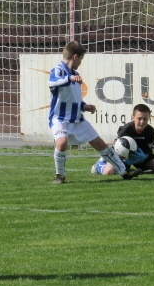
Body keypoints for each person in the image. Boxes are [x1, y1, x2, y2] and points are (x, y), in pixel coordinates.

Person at [48, 40, 127, 183]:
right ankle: (60, 175)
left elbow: (75, 99)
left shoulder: (76, 74)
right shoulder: (58, 70)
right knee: (62, 142)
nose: (81, 62)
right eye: (81, 59)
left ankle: (124, 171)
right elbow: (52, 82)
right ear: (75, 57)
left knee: (100, 144)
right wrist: (70, 78)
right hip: (59, 118)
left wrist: (84, 106)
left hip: (77, 119)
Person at [91, 104, 154, 177]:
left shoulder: (151, 131)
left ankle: (153, 165)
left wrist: (143, 155)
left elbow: (150, 150)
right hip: (123, 157)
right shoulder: (125, 130)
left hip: (141, 157)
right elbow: (116, 148)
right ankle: (99, 166)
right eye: (139, 118)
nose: (142, 122)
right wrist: (125, 158)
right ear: (133, 117)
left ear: (149, 118)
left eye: (145, 119)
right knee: (108, 172)